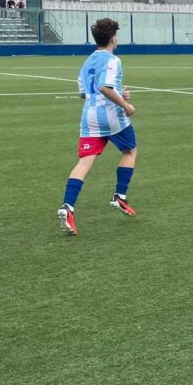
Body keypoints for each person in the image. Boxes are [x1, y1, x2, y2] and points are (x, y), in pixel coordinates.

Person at [57, 18, 138, 236]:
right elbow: (104, 87)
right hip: (111, 115)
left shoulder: (87, 62)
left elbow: (84, 93)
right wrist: (126, 105)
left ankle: (68, 206)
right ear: (113, 39)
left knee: (85, 161)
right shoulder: (113, 60)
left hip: (89, 117)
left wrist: (119, 93)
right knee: (130, 151)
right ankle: (120, 196)